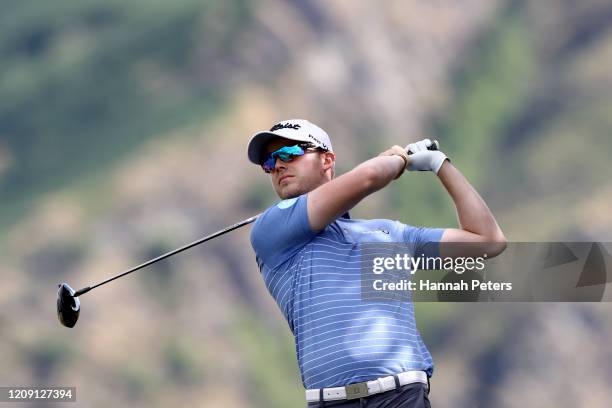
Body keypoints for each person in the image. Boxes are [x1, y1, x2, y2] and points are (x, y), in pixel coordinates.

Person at [246, 119, 506, 407]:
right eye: (269, 162)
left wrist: (440, 164)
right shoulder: (270, 230)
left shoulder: (389, 233)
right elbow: (369, 176)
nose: (278, 165)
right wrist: (398, 160)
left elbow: (488, 241)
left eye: (289, 153)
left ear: (327, 160)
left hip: (401, 396)